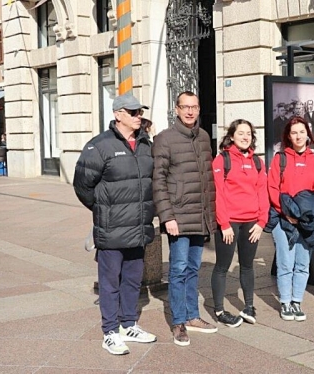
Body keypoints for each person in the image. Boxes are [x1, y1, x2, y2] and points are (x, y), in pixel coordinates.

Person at [73, 93, 157, 355]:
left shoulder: (146, 144)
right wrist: (102, 209)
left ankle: (128, 324)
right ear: (118, 114)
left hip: (138, 227)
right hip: (111, 229)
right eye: (133, 112)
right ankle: (110, 332)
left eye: (140, 112)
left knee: (133, 280)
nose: (138, 116)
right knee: (110, 282)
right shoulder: (99, 146)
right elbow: (82, 185)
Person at [152, 91, 217, 347]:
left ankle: (192, 316)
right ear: (176, 109)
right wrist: (167, 216)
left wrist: (209, 217)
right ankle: (178, 321)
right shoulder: (164, 139)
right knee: (177, 271)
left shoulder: (203, 138)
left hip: (199, 217)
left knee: (193, 269)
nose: (190, 112)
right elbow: (158, 181)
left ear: (199, 109)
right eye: (185, 107)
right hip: (177, 217)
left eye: (194, 107)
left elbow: (207, 181)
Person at [211, 119, 270, 327]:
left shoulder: (257, 162)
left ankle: (249, 306)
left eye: (249, 134)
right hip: (230, 224)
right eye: (241, 133)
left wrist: (262, 221)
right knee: (222, 266)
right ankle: (219, 309)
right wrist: (224, 223)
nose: (245, 137)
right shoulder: (222, 160)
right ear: (232, 136)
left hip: (252, 223)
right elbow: (217, 192)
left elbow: (263, 192)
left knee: (247, 266)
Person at [266, 116, 314, 322]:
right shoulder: (279, 159)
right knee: (285, 262)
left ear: (308, 134)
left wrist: (303, 217)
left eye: (302, 132)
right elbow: (272, 188)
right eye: (294, 133)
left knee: (302, 263)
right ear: (288, 137)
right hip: (283, 219)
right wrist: (287, 214)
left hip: (307, 221)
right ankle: (285, 302)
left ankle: (296, 301)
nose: (298, 136)